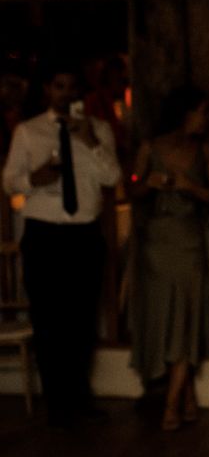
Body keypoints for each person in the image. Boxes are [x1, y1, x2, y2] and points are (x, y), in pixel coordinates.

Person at [3, 61, 121, 427]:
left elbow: (113, 176)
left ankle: (80, 398)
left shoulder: (97, 129)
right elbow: (9, 182)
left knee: (82, 318)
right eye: (59, 86)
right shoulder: (28, 131)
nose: (66, 93)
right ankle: (56, 402)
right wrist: (31, 177)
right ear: (47, 91)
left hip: (84, 236)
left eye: (72, 87)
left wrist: (89, 141)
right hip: (44, 235)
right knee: (48, 318)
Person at [128, 85, 209, 430]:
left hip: (190, 242)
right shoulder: (150, 147)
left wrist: (188, 186)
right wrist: (148, 182)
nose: (206, 119)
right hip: (156, 244)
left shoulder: (205, 151)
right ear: (186, 113)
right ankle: (185, 396)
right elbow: (132, 188)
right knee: (164, 317)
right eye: (202, 111)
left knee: (186, 317)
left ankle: (171, 404)